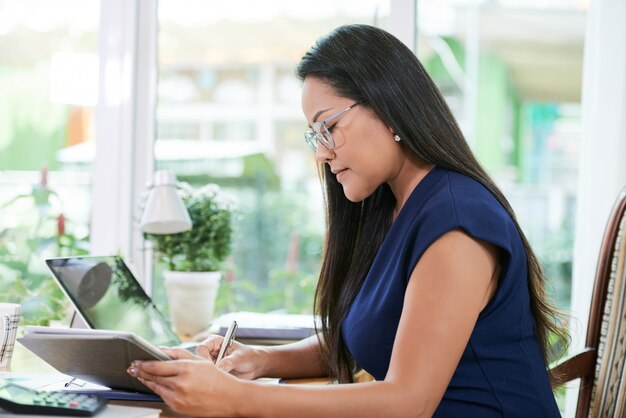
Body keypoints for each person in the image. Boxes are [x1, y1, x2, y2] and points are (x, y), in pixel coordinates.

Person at [127, 24, 568, 417]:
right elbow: (376, 337)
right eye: (313, 135)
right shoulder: (396, 207)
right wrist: (260, 360)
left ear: (389, 107)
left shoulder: (456, 224)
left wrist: (234, 399)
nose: (320, 152)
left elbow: (406, 402)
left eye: (329, 127)